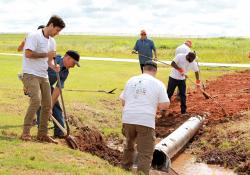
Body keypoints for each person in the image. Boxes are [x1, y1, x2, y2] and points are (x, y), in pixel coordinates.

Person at [20, 15, 65, 143]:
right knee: (36, 100)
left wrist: (54, 66)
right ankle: (25, 133)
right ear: (51, 25)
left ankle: (42, 134)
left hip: (43, 74)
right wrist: (46, 54)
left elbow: (49, 60)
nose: (57, 33)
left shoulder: (52, 41)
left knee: (47, 104)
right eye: (57, 30)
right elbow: (28, 54)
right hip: (30, 74)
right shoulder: (34, 36)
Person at [120, 61, 170, 175]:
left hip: (128, 118)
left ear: (143, 69)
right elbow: (164, 105)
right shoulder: (158, 83)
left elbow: (123, 101)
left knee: (129, 146)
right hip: (145, 120)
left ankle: (124, 170)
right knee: (145, 153)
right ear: (155, 71)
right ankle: (141, 173)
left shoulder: (131, 80)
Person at [36, 50, 80, 138]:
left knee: (56, 106)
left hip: (47, 86)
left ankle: (59, 132)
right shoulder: (53, 60)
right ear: (68, 58)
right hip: (36, 83)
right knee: (42, 106)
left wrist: (50, 106)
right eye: (73, 63)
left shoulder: (65, 72)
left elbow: (58, 89)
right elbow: (35, 68)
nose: (74, 66)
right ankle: (42, 132)